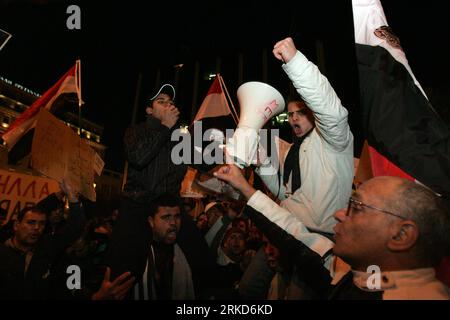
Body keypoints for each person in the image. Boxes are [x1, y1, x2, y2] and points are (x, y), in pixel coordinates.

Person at [215, 164, 450, 299]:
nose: (339, 214)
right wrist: (244, 187)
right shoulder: (356, 275)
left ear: (401, 236)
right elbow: (295, 235)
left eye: (356, 206)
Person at [254, 37, 354, 263]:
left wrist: (296, 64)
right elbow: (286, 195)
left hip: (321, 238)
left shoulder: (333, 140)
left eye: (300, 112)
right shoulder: (292, 151)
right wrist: (262, 165)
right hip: (289, 230)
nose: (293, 119)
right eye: (290, 114)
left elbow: (332, 112)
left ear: (312, 112)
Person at [107, 84, 187, 279]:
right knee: (126, 272)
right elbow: (139, 158)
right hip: (137, 209)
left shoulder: (179, 139)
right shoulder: (136, 131)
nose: (168, 105)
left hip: (168, 211)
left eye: (171, 102)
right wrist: (165, 127)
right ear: (149, 110)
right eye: (161, 102)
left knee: (193, 260)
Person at [0, 179, 86, 299]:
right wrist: (58, 195)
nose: (37, 228)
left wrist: (71, 197)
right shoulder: (2, 250)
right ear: (16, 225)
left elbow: (76, 226)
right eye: (31, 222)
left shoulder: (46, 248)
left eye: (41, 223)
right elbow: (40, 208)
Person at [133, 194, 195, 300]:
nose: (173, 223)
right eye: (166, 217)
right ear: (151, 221)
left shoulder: (186, 253)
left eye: (177, 216)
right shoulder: (137, 255)